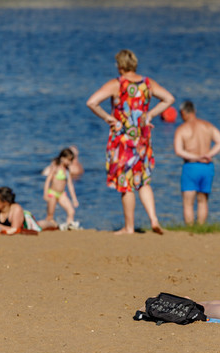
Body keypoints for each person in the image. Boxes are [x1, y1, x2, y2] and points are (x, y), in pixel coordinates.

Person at [86, 49, 175, 235]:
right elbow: (169, 99)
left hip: (123, 139)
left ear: (119, 66)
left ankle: (129, 227)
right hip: (142, 138)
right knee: (143, 181)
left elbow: (92, 102)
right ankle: (154, 220)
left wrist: (108, 118)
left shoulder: (116, 84)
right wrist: (150, 114)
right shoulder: (147, 83)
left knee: (126, 184)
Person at [174, 100, 220, 225]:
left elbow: (178, 151)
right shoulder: (207, 126)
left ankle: (191, 229)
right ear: (194, 111)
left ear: (183, 113)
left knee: (188, 202)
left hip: (191, 167)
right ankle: (201, 227)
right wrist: (209, 154)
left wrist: (195, 157)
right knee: (203, 200)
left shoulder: (182, 129)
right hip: (207, 166)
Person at [38, 147, 79, 230]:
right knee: (50, 215)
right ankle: (44, 228)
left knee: (71, 211)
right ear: (62, 158)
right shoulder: (56, 167)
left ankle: (69, 226)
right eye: (68, 160)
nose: (69, 162)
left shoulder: (67, 170)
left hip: (61, 194)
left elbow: (70, 185)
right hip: (52, 193)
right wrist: (45, 193)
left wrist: (74, 199)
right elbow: (48, 181)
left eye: (71, 160)